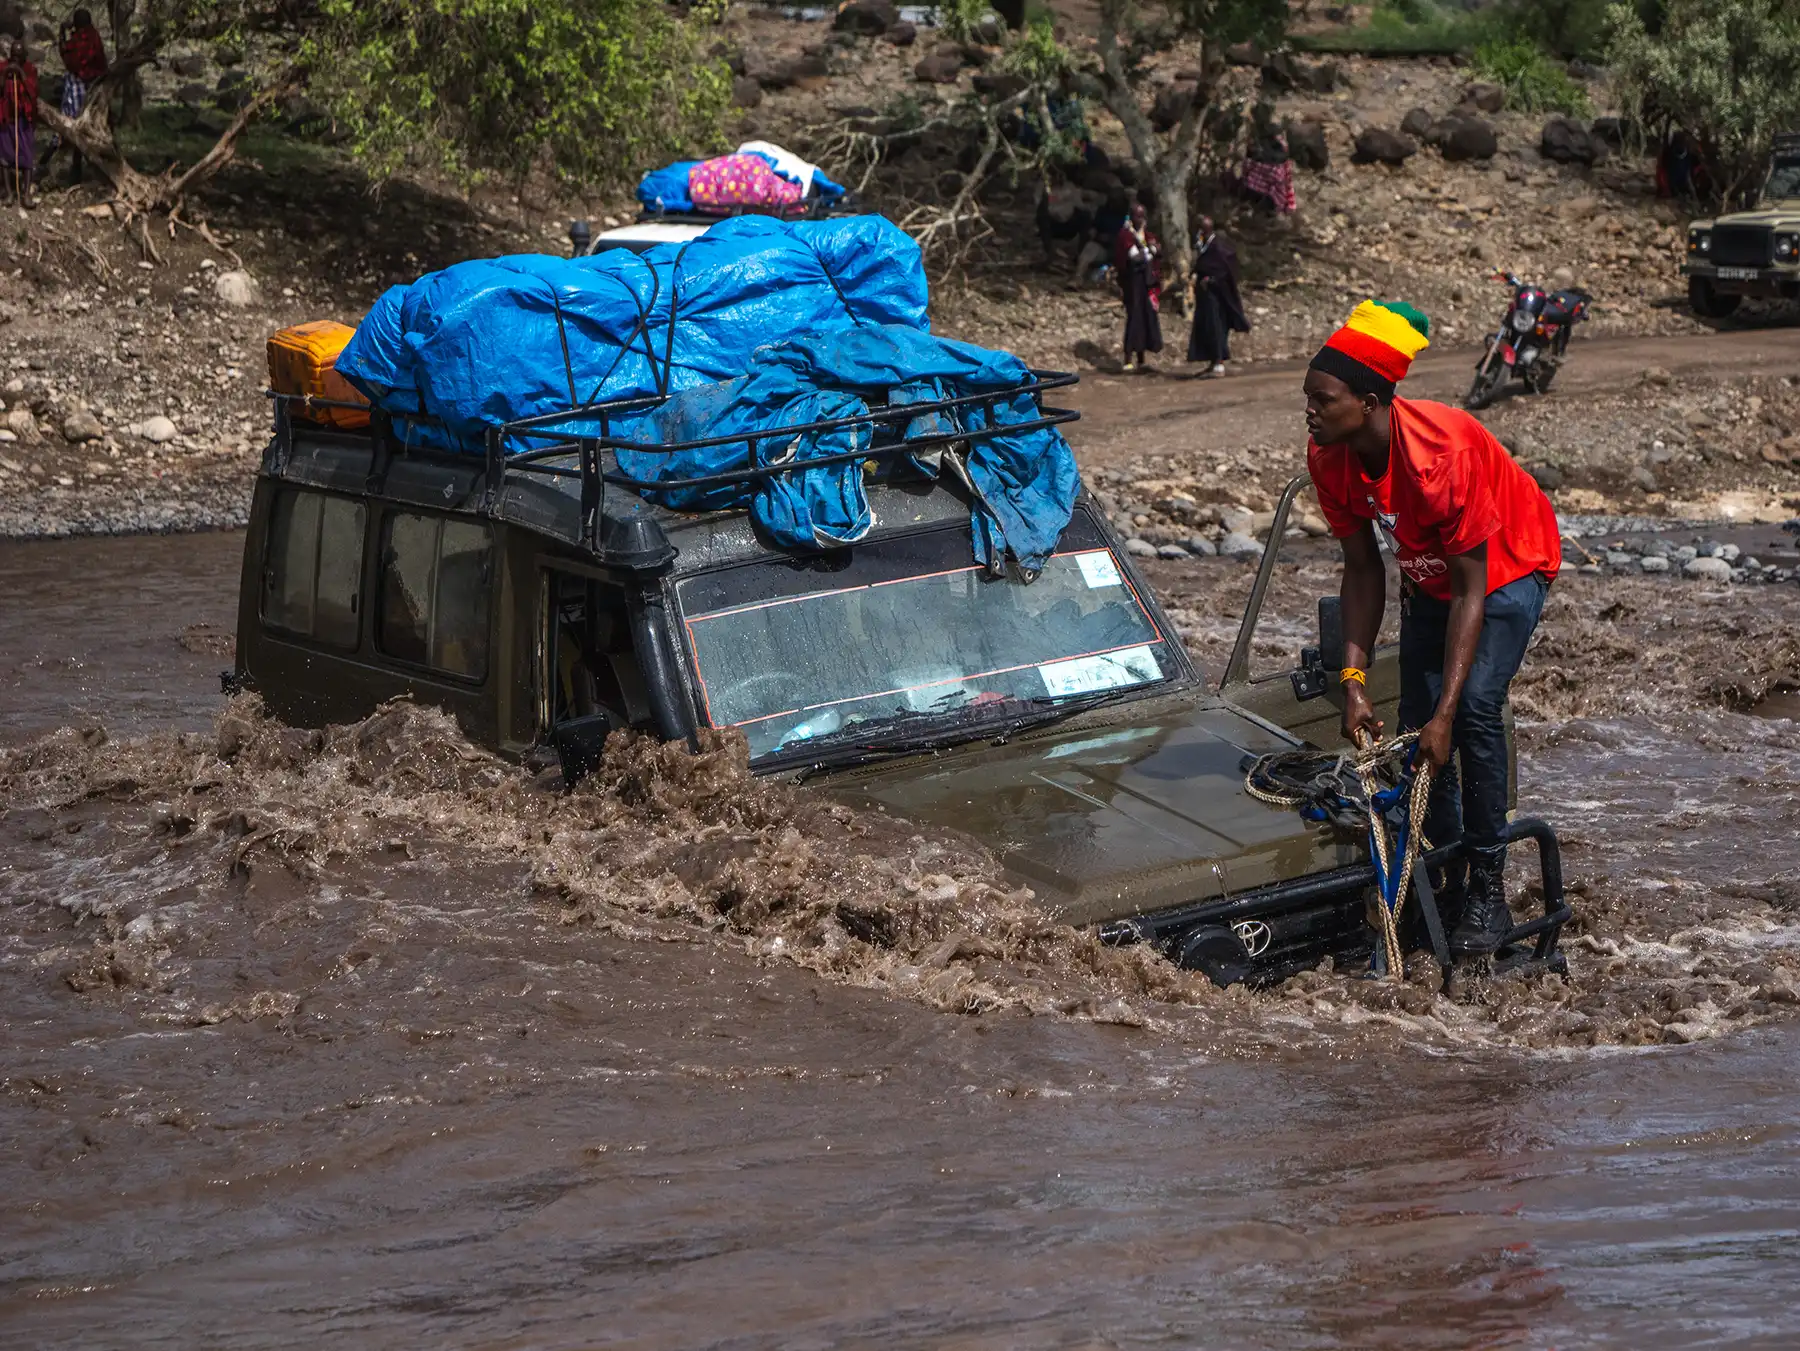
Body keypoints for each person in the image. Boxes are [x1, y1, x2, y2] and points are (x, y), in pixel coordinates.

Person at [1303, 300, 1562, 957]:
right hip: (1434, 575)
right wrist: (1354, 681)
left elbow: (1473, 590)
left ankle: (1487, 891)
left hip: (1504, 569)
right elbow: (1363, 571)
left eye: (1321, 399)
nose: (1308, 411)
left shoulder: (1440, 453)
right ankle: (1443, 877)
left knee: (1470, 709)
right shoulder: (1329, 456)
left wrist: (1447, 712)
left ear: (1368, 402)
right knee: (1419, 730)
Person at [1187, 217, 1249, 376]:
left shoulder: (1218, 247)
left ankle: (1218, 363)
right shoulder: (1204, 246)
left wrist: (1212, 280)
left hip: (1217, 296)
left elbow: (1225, 270)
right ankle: (1212, 361)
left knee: (1216, 327)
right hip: (1205, 296)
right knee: (1207, 327)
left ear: (1204, 230)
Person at [1113, 202, 1162, 373]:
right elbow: (1134, 258)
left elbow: (1155, 251)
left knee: (1146, 317)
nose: (1139, 219)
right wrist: (1151, 251)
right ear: (1131, 217)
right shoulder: (1125, 235)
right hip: (1132, 284)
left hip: (1146, 284)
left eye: (1142, 216)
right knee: (1134, 318)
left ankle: (1141, 358)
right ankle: (1128, 357)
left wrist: (1150, 251)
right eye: (1136, 216)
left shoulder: (1146, 235)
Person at [0, 36, 36, 207]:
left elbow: (33, 92)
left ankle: (26, 194)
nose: (15, 60)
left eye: (18, 57)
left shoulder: (30, 69)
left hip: (24, 118)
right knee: (5, 156)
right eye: (13, 56)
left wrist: (21, 74)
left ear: (24, 57)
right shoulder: (2, 67)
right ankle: (8, 193)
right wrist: (5, 74)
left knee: (27, 156)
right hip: (7, 118)